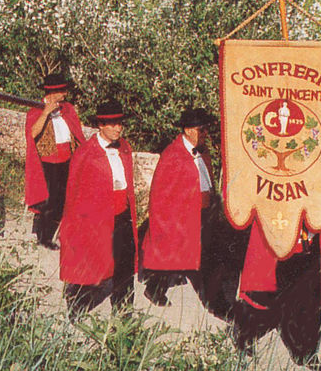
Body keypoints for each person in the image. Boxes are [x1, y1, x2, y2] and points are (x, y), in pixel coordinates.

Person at [60, 99, 138, 318]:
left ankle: (124, 314)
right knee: (93, 263)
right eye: (111, 124)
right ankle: (77, 307)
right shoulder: (86, 153)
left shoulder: (124, 147)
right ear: (100, 126)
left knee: (124, 267)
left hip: (121, 216)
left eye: (119, 123)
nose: (117, 128)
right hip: (95, 220)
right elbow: (75, 194)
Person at [232, 218, 321, 365]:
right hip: (277, 228)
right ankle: (244, 331)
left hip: (306, 237)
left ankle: (308, 353)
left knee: (309, 293)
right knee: (271, 296)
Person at [141, 107, 216, 307]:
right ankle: (154, 289)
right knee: (171, 253)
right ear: (188, 130)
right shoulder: (172, 155)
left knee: (202, 252)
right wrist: (167, 221)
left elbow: (205, 179)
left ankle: (207, 292)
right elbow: (161, 193)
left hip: (203, 210)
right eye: (202, 129)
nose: (205, 133)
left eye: (206, 129)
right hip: (182, 215)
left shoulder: (203, 151)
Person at [24, 73, 86, 249]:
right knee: (49, 200)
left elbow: (76, 132)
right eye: (62, 91)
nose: (65, 94)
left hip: (68, 160)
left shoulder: (68, 110)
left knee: (63, 199)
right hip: (48, 161)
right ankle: (43, 236)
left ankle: (55, 232)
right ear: (52, 92)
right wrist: (45, 113)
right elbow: (32, 134)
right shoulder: (36, 111)